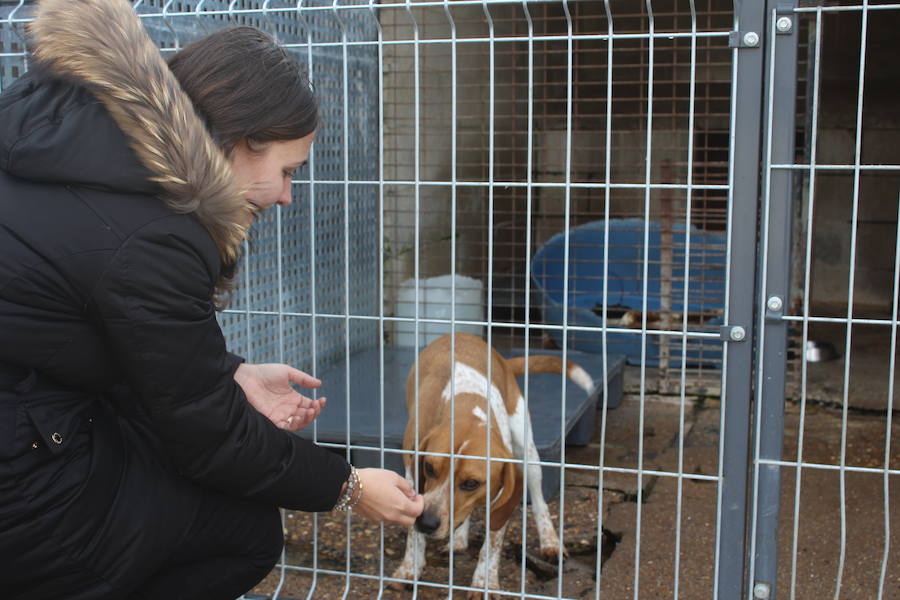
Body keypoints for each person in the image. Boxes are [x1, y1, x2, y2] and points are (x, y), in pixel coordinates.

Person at [0, 1, 423, 598]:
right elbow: (211, 440)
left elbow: (98, 310)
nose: (286, 196)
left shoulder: (75, 133)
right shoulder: (157, 228)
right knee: (241, 533)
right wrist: (349, 486)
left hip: (35, 407)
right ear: (241, 139)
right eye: (287, 169)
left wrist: (231, 374)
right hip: (20, 471)